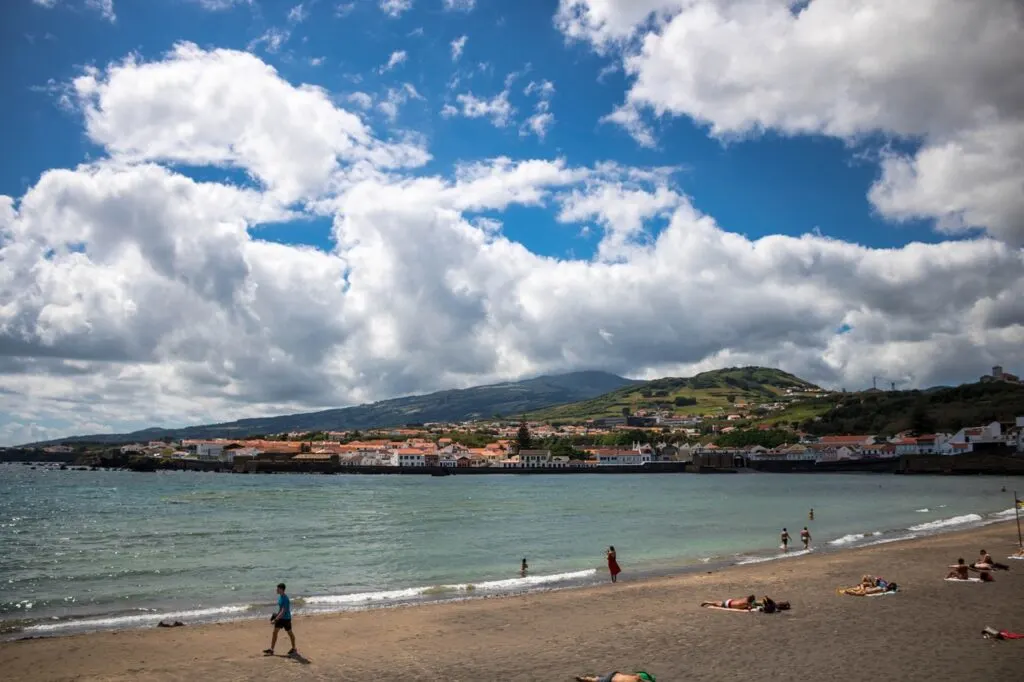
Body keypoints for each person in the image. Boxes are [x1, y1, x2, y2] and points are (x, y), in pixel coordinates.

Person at [264, 583, 297, 657]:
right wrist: (276, 615)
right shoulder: (280, 597)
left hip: (286, 619)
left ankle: (294, 648)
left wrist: (276, 619)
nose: (276, 590)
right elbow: (280, 610)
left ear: (281, 589)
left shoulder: (285, 599)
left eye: (278, 589)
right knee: (275, 632)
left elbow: (283, 611)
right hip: (280, 618)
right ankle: (271, 649)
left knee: (290, 633)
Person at [575, 672, 656, 682]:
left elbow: (638, 675)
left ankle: (585, 678)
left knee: (597, 679)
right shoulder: (637, 679)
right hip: (611, 679)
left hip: (614, 674)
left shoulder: (639, 676)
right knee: (596, 680)